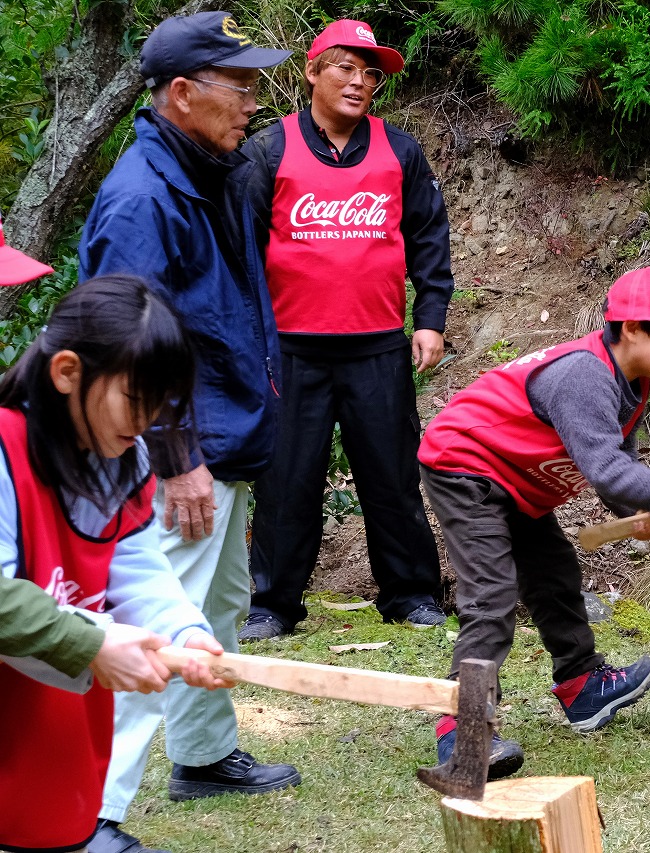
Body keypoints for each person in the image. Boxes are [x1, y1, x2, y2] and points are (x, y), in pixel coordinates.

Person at [76, 12, 298, 853]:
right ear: (181, 93)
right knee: (147, 625)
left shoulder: (214, 174)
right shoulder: (143, 196)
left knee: (218, 606)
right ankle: (91, 815)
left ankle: (203, 754)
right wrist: (175, 458)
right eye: (237, 84)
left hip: (224, 437)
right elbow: (124, 345)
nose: (252, 101)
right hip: (176, 449)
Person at [418, 266, 650, 776]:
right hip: (467, 467)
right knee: (492, 595)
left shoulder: (632, 384)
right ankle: (461, 732)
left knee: (555, 575)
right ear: (635, 329)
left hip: (518, 479)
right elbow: (610, 472)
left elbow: (620, 472)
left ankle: (582, 687)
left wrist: (638, 515)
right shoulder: (583, 375)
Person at [233, 19, 453, 643]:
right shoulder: (268, 150)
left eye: (371, 73)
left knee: (391, 476)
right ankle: (273, 603)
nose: (360, 82)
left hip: (377, 344)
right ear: (312, 72)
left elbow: (429, 238)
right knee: (287, 480)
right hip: (291, 349)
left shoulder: (400, 151)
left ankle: (411, 594)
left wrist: (430, 317)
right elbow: (241, 250)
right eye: (346, 68)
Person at [0, 274, 234, 853]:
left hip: (57, 729)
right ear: (67, 372)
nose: (146, 419)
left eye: (160, 403)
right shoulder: (5, 446)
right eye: (135, 399)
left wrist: (184, 630)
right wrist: (93, 644)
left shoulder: (121, 458)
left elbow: (132, 556)